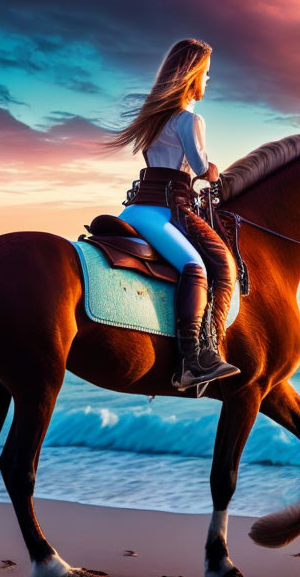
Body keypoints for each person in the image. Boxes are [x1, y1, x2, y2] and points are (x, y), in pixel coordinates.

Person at [104, 38, 240, 390]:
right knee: (210, 266)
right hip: (166, 211)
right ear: (193, 74)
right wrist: (213, 171)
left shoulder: (152, 117)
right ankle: (196, 357)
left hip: (135, 210)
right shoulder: (189, 119)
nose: (208, 81)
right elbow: (197, 166)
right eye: (207, 74)